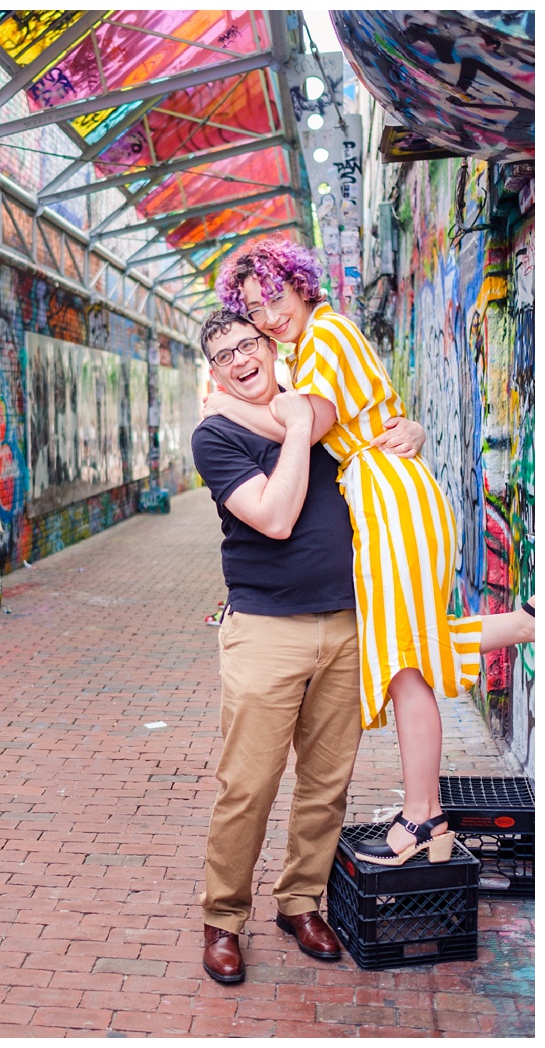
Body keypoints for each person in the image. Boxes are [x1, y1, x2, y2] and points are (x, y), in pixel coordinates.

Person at [209, 237, 535, 866]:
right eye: (254, 310)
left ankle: (423, 817)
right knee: (405, 647)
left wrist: (220, 404)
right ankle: (523, 623)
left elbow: (306, 422)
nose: (269, 315)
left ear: (301, 284)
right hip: (387, 494)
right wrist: (409, 424)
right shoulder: (313, 344)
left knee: (406, 660)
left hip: (389, 499)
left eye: (275, 297)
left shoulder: (326, 334)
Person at [191, 309, 429, 982]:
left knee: (327, 785)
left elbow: (381, 438)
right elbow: (274, 516)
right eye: (224, 355)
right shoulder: (216, 435)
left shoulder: (318, 411)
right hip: (266, 629)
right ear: (214, 374)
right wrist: (297, 429)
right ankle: (223, 917)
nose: (240, 359)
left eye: (248, 344)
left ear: (271, 348)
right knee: (249, 786)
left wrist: (413, 430)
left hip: (346, 625)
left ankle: (299, 902)